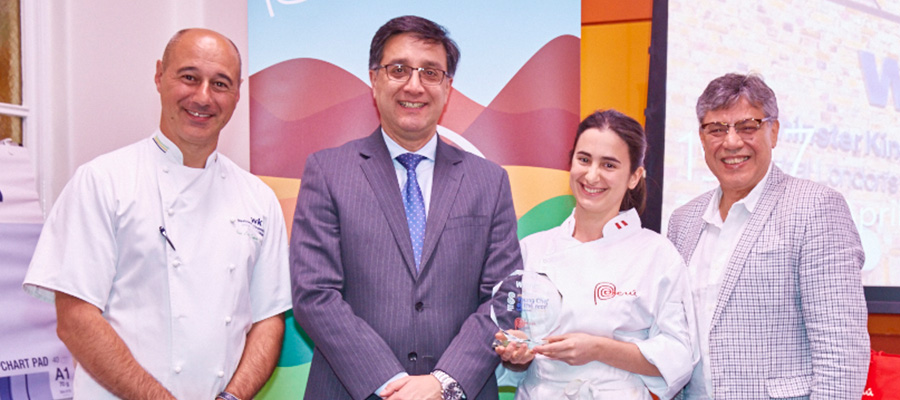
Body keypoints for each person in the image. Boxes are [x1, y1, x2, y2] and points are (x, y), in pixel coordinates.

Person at [22, 28, 291, 400]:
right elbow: (76, 320)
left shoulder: (259, 199)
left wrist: (231, 397)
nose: (203, 97)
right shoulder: (103, 181)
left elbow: (268, 320)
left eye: (220, 83)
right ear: (159, 76)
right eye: (189, 77)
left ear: (237, 94)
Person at [290, 15, 522, 400]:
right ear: (374, 78)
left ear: (448, 87)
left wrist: (443, 382)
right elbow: (314, 294)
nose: (414, 85)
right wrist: (391, 383)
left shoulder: (489, 181)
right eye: (398, 69)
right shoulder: (327, 172)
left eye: (430, 72)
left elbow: (503, 295)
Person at [667, 73, 870, 399]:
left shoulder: (816, 208)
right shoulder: (683, 222)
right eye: (716, 129)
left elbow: (841, 354)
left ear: (773, 132)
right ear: (702, 139)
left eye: (747, 126)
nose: (732, 142)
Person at [495, 110, 699, 399]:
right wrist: (516, 353)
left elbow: (678, 357)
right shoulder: (533, 249)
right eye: (584, 160)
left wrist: (598, 349)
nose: (592, 175)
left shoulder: (657, 254)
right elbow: (511, 345)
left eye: (609, 165)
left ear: (634, 176)